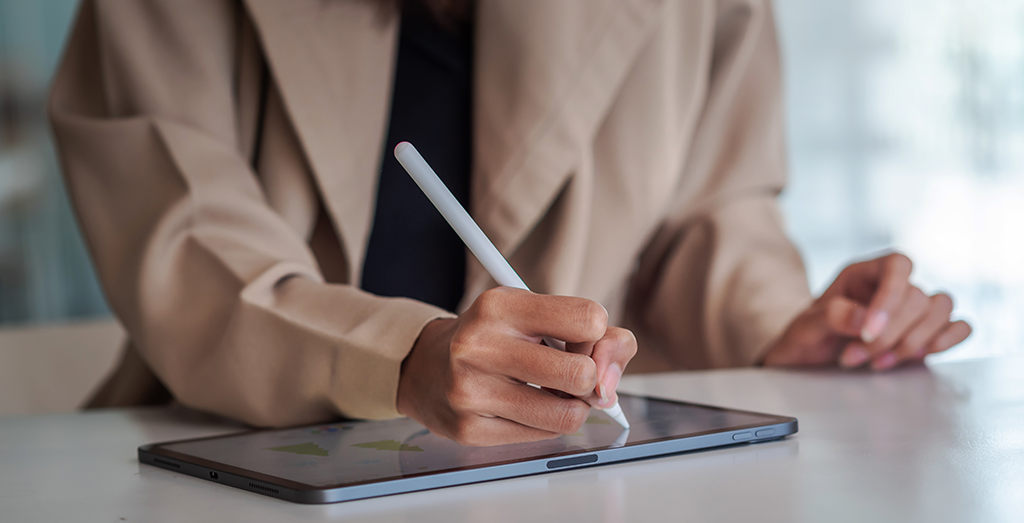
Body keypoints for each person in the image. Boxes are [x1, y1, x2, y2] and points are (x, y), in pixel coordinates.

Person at [49, 0, 970, 446]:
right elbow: (187, 240)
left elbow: (712, 213)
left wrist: (783, 328)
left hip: (547, 478)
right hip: (232, 448)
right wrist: (399, 354)